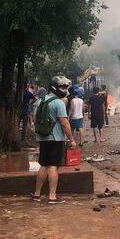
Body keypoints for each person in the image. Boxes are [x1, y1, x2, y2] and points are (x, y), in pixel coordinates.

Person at [32, 76, 77, 204]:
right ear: (54, 87)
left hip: (43, 138)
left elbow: (35, 120)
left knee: (44, 165)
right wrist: (72, 140)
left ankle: (37, 194)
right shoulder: (58, 103)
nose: (65, 90)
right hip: (56, 139)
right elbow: (65, 123)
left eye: (65, 87)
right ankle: (52, 196)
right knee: (53, 166)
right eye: (62, 87)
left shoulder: (41, 101)